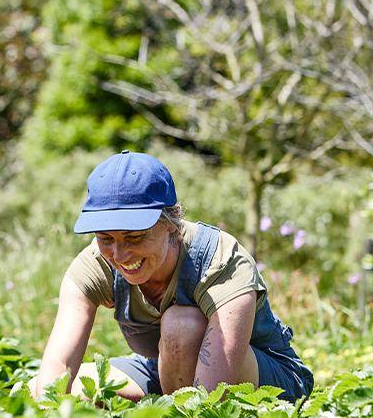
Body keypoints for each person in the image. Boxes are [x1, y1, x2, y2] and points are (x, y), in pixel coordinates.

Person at [31, 152, 314, 403]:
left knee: (182, 326)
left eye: (135, 237)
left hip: (268, 377)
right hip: (164, 369)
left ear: (171, 224)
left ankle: (170, 415)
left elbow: (215, 395)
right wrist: (48, 410)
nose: (119, 254)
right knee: (47, 385)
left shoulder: (220, 260)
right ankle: (163, 401)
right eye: (106, 238)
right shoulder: (95, 263)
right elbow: (59, 363)